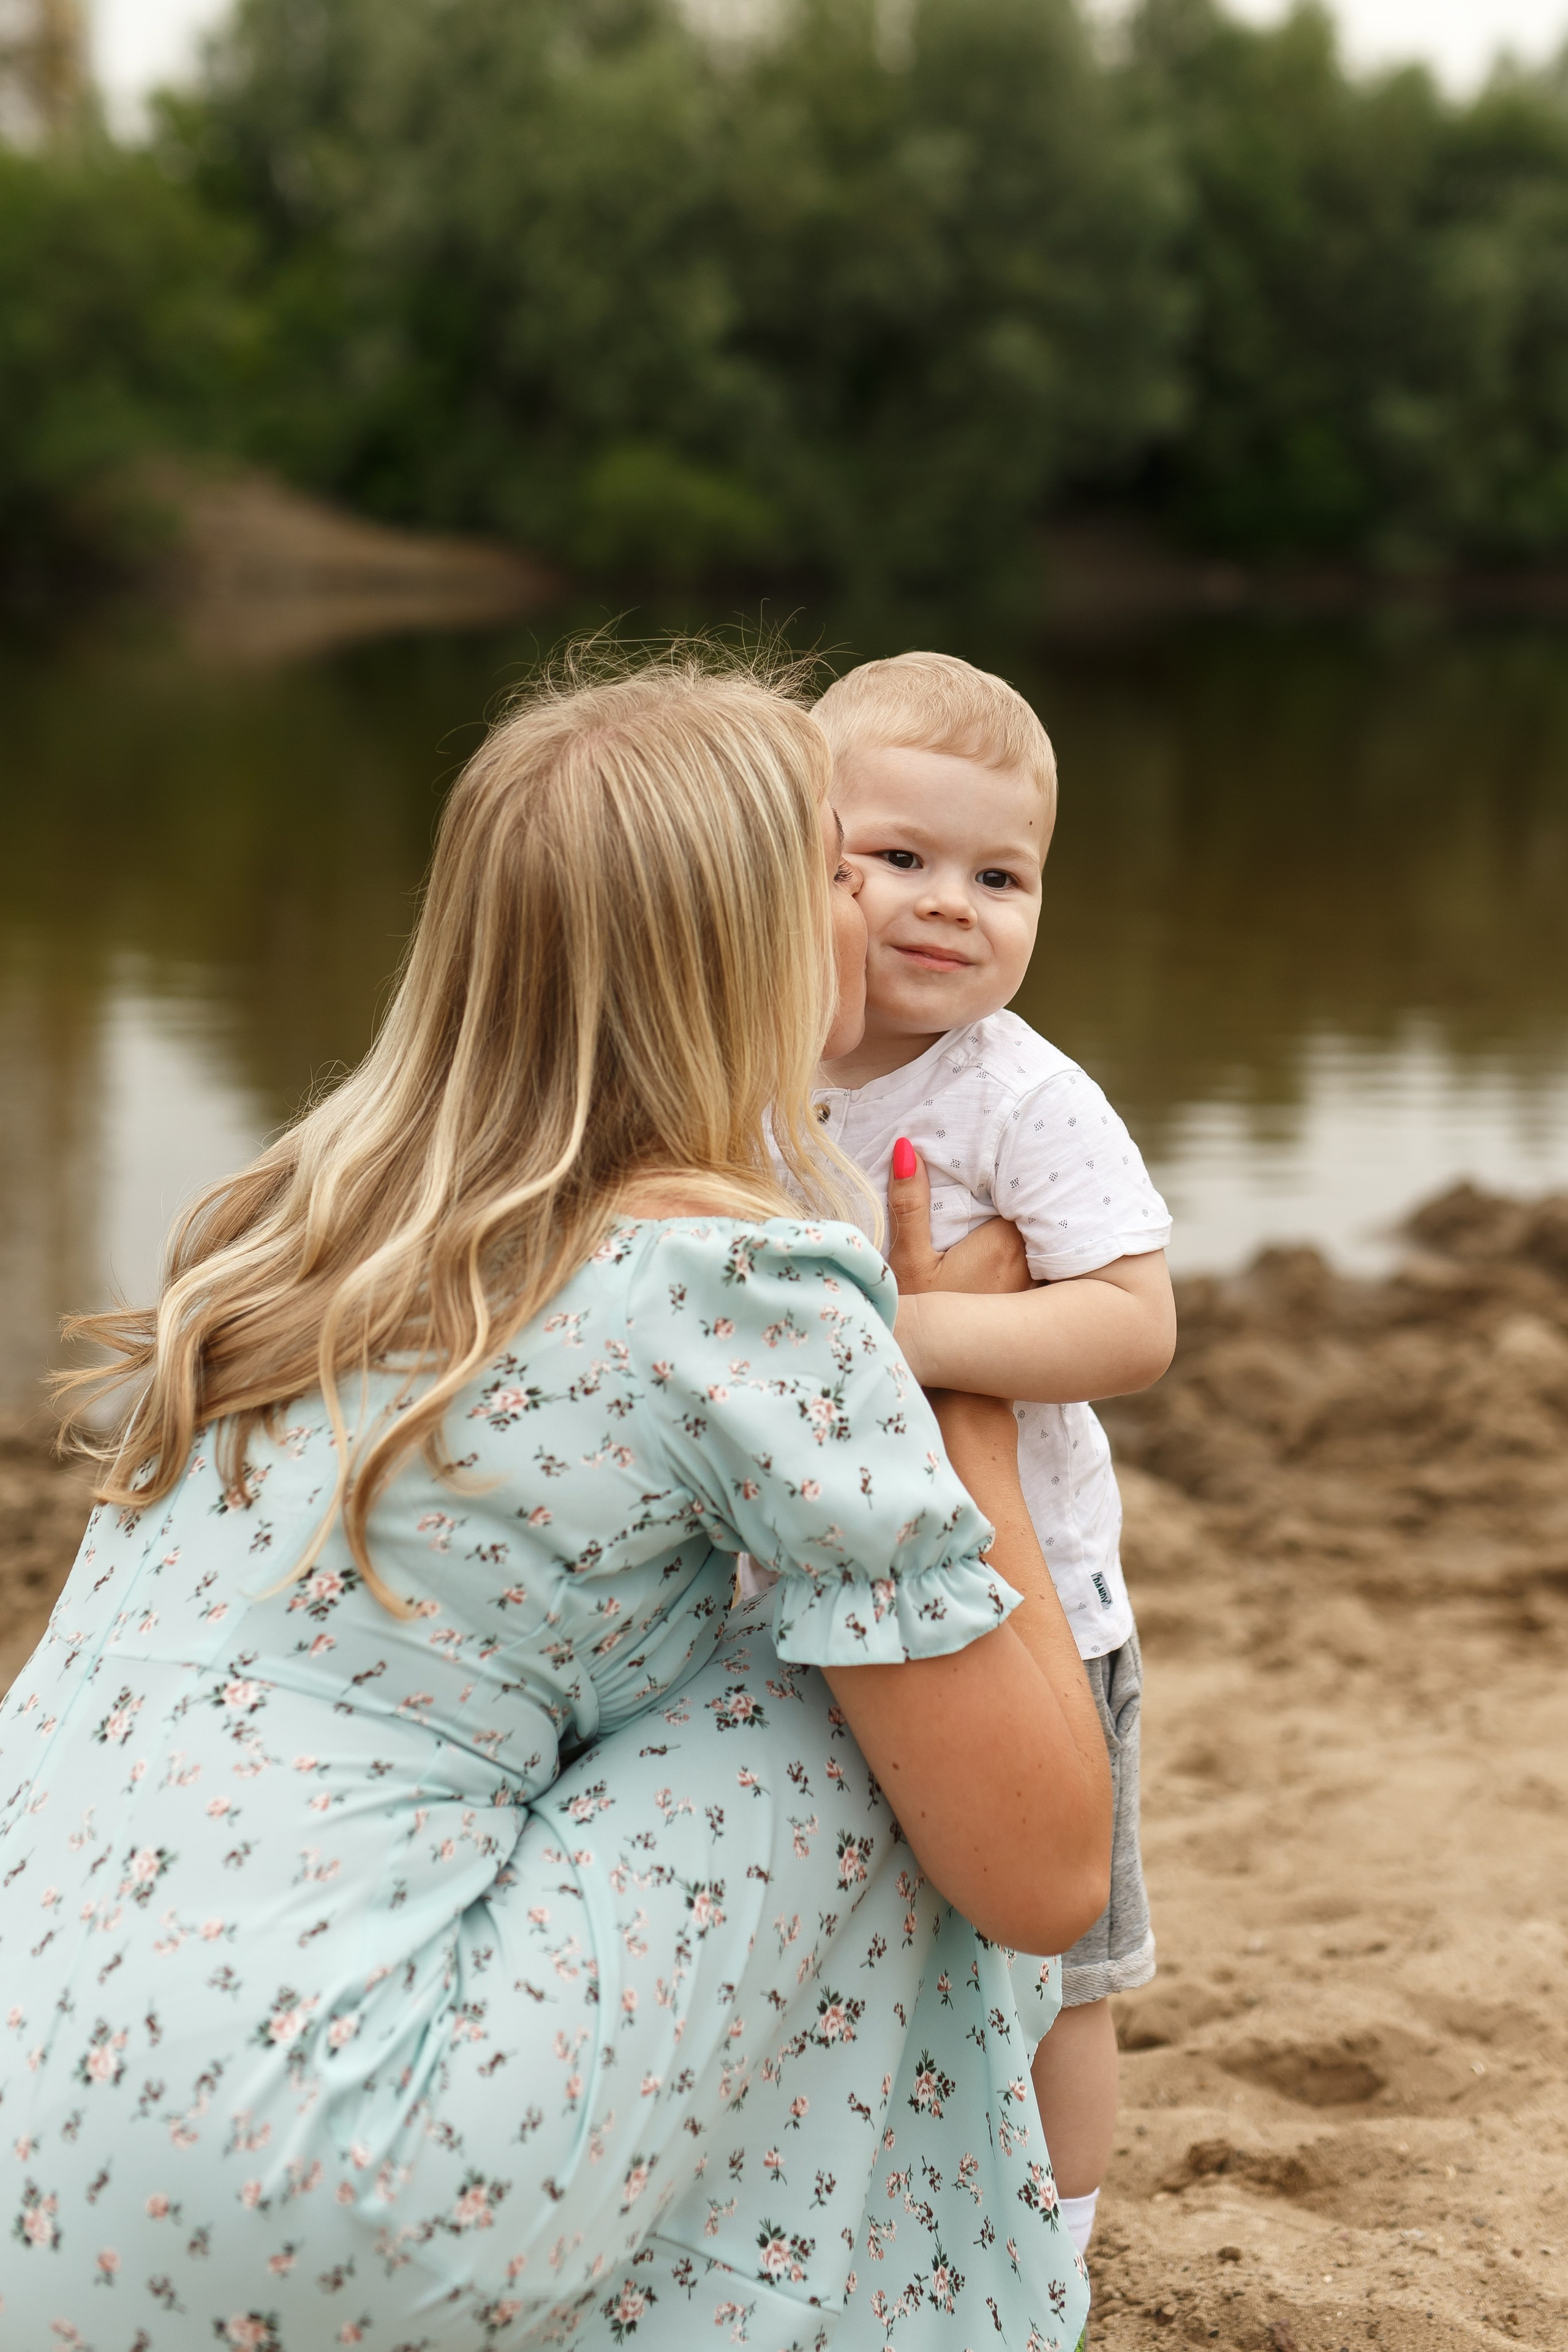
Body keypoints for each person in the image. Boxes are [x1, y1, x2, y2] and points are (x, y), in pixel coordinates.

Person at [0, 649, 1110, 2352]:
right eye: (838, 869)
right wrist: (958, 1392)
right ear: (748, 939)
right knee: (884, 1719)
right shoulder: (731, 1284)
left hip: (43, 2193)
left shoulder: (284, 1237)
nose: (881, 912)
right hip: (335, 2196)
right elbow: (1045, 1870)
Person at [805, 650, 1177, 2266]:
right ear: (797, 864)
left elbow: (1133, 1324)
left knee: (1064, 1973)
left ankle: (1062, 2253)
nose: (951, 904)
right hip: (816, 1589)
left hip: (1036, 1606)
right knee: (869, 1926)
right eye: (899, 857)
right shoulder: (746, 1061)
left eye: (1000, 877)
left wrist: (918, 1336)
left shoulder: (1021, 1094)